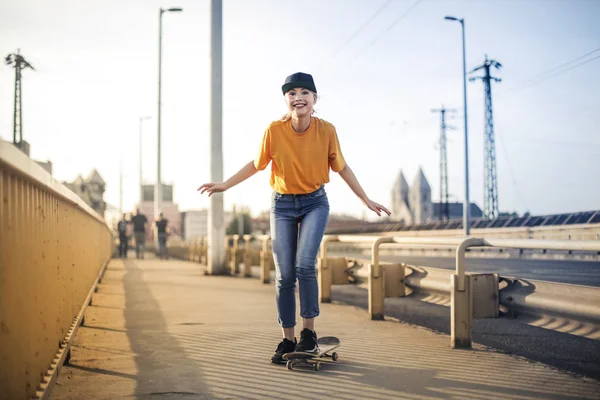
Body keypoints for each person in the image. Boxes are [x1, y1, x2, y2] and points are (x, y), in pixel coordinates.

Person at [197, 72, 391, 364]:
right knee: (284, 275)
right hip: (282, 204)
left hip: (315, 202)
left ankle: (309, 335)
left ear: (314, 99)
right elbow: (257, 164)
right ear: (286, 100)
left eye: (304, 93)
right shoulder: (274, 130)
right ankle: (288, 339)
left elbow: (342, 168)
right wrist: (225, 184)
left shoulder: (326, 131)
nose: (298, 98)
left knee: (304, 266)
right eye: (292, 93)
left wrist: (365, 199)